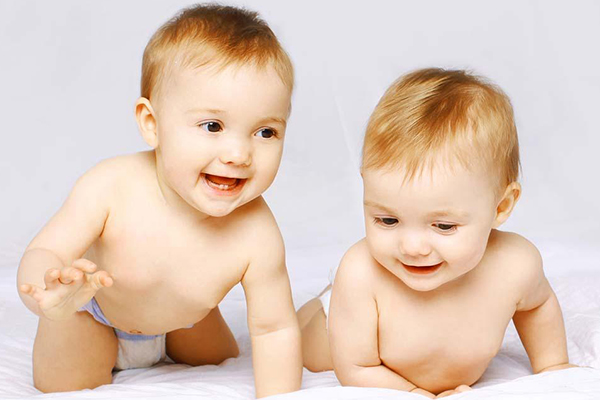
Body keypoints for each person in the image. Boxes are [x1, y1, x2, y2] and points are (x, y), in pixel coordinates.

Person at [17, 5, 301, 397]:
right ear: (152, 124)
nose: (239, 154)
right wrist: (48, 293)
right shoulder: (111, 185)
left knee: (222, 356)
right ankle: (66, 322)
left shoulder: (257, 231)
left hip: (184, 322)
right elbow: (45, 251)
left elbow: (274, 329)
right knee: (64, 385)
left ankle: (180, 329)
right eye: (213, 126)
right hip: (95, 313)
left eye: (265, 132)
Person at [297, 68, 574, 398]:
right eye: (388, 220)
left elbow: (537, 306)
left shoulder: (516, 265)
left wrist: (553, 364)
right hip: (332, 332)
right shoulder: (362, 273)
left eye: (443, 226)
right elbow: (357, 369)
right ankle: (327, 298)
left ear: (500, 206)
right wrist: (417, 394)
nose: (412, 247)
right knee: (296, 333)